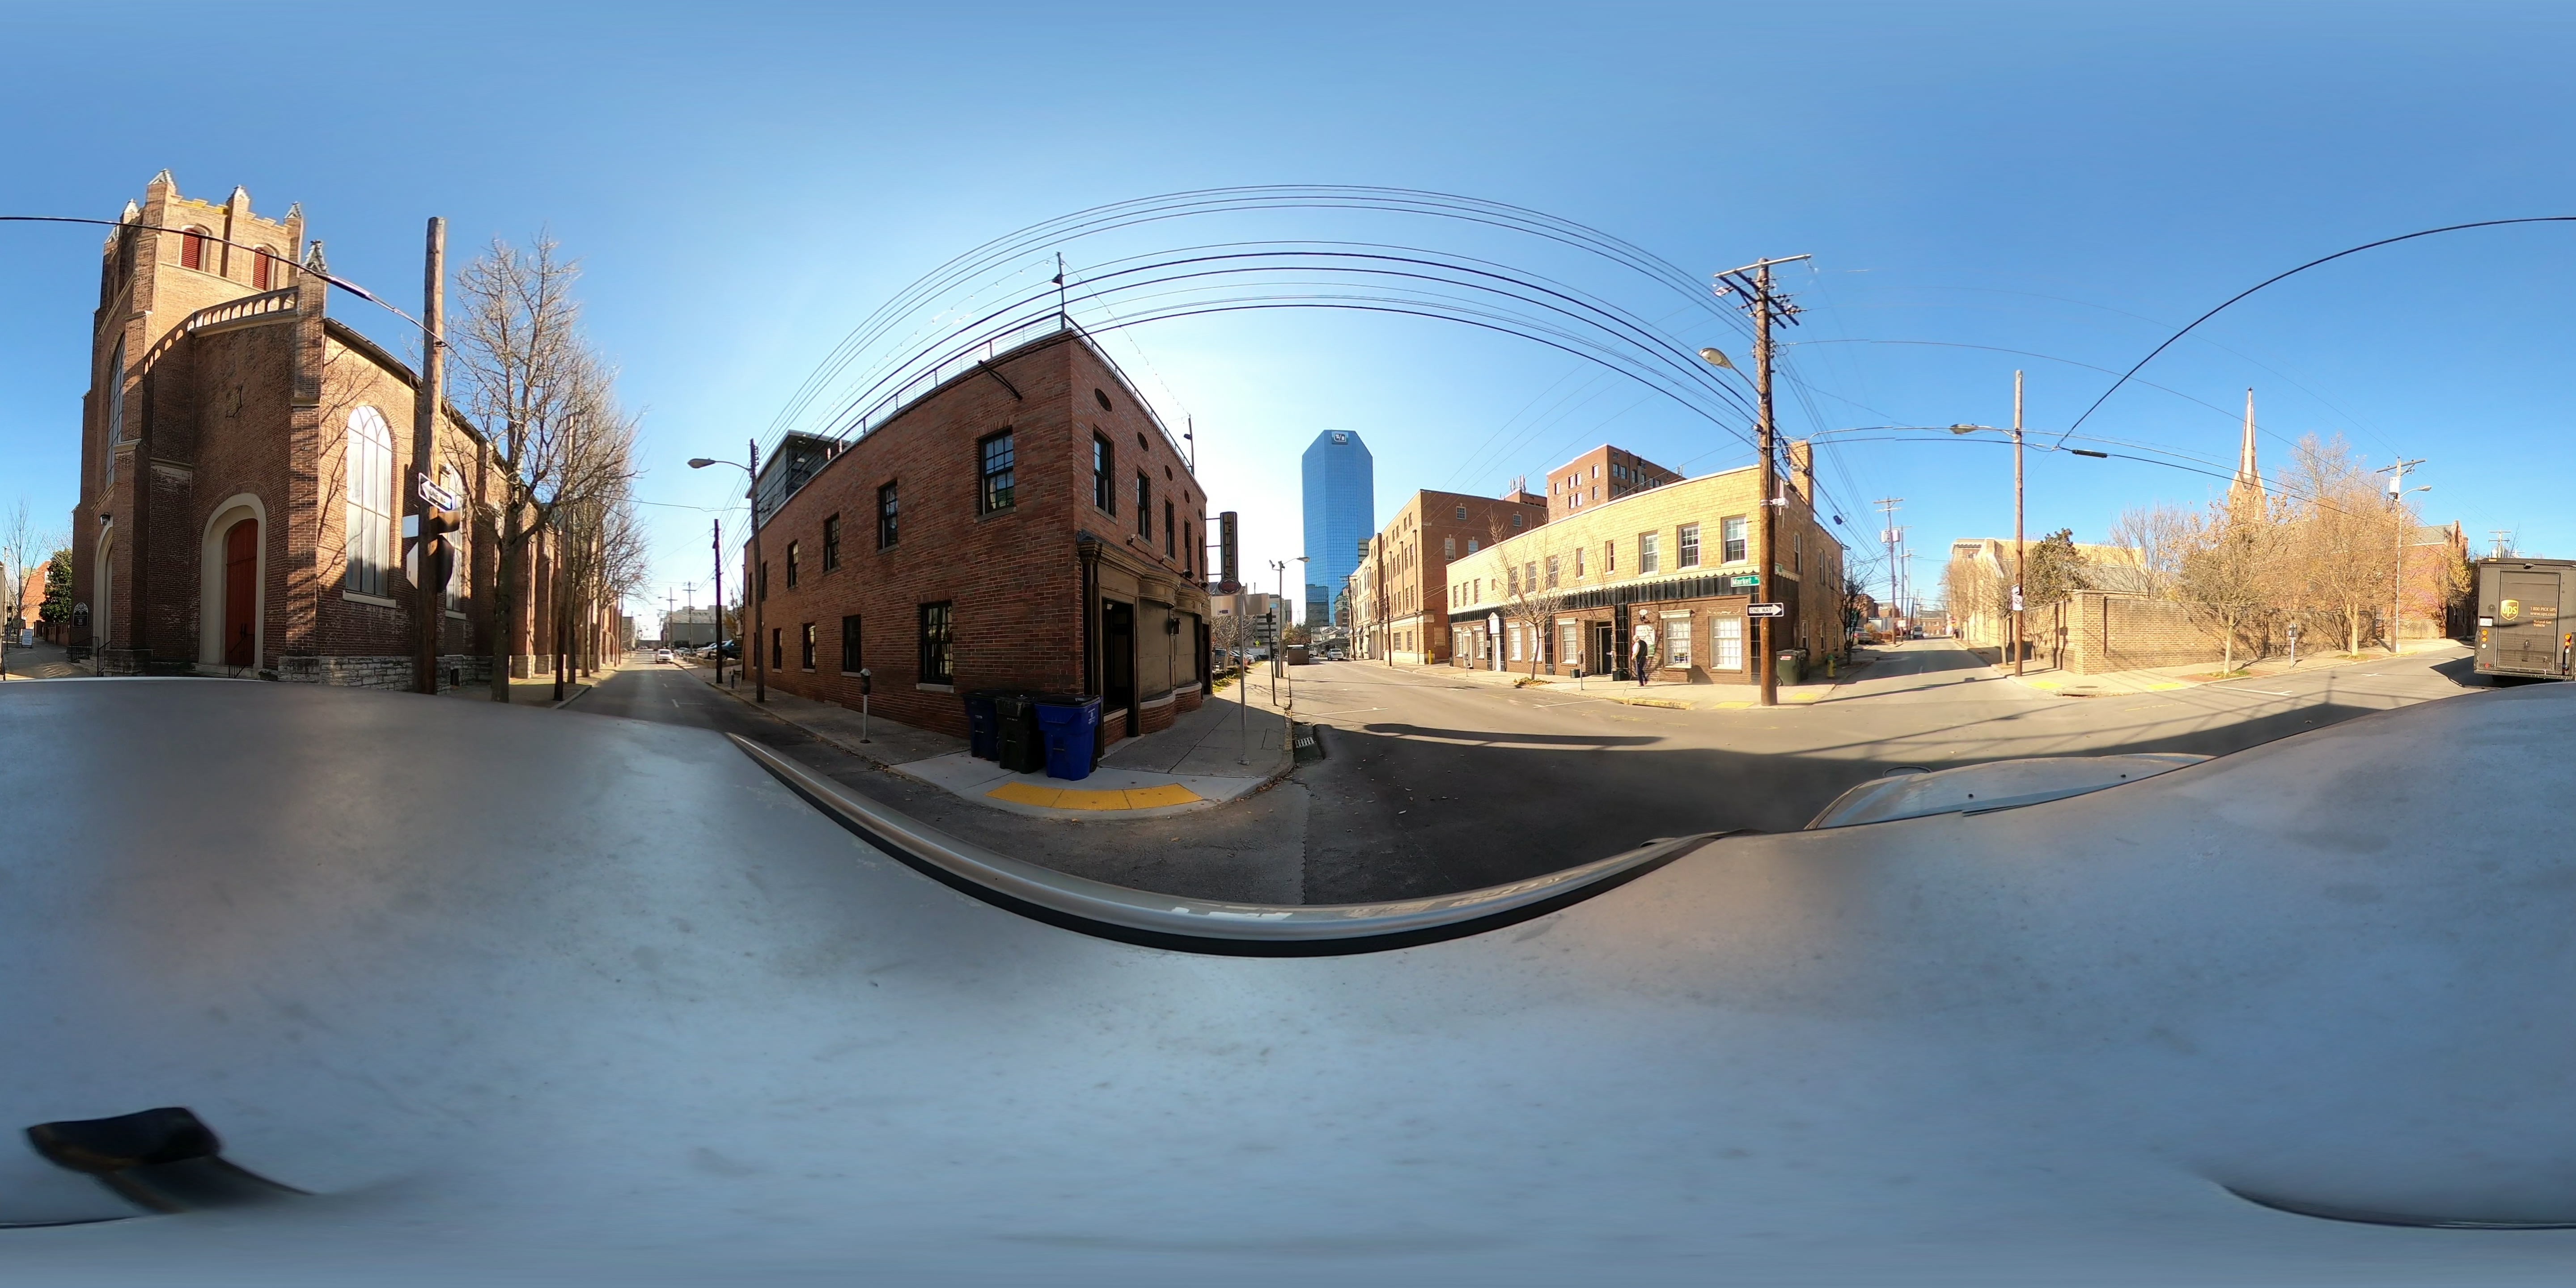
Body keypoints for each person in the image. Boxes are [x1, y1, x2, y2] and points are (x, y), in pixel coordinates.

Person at [1631, 619, 1655, 686]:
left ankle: (1641, 683)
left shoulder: (1637, 644)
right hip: (1644, 658)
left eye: (1634, 640)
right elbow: (1647, 650)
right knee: (1641, 669)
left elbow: (1636, 651)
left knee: (1639, 671)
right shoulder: (1644, 643)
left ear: (1635, 639)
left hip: (1639, 658)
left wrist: (1633, 657)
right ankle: (1645, 679)